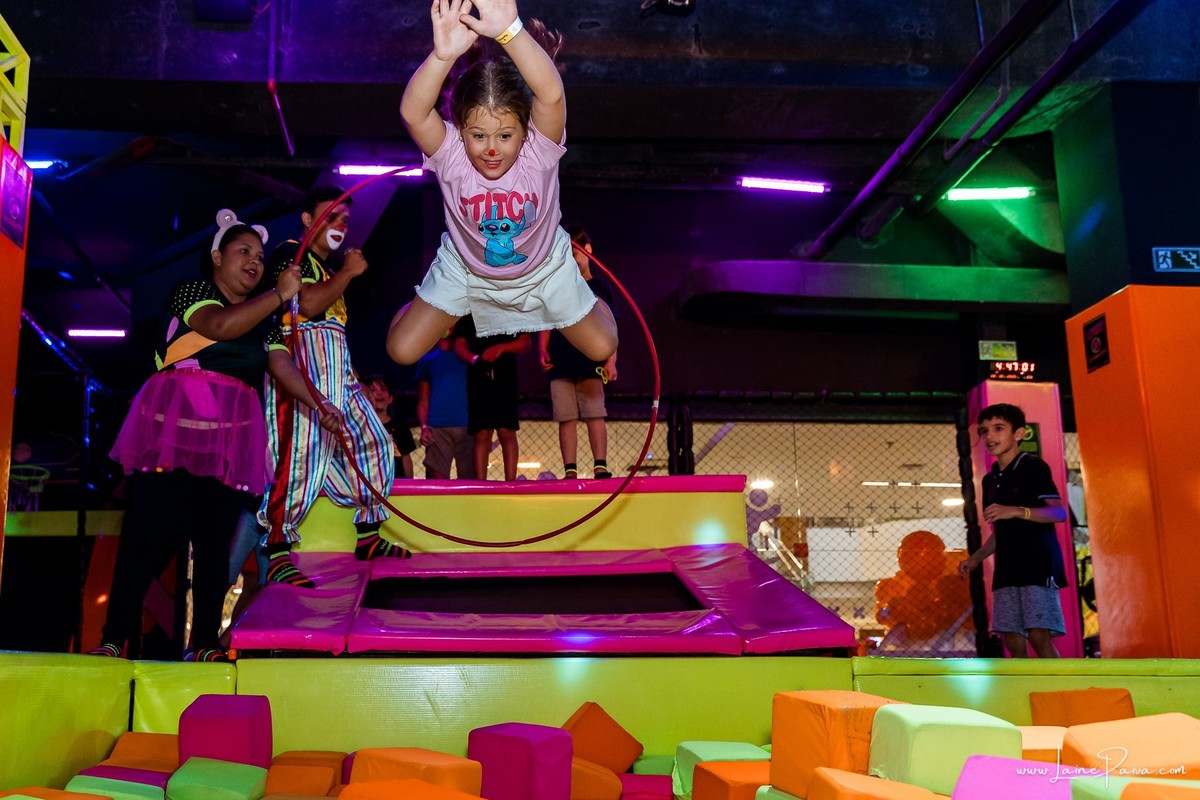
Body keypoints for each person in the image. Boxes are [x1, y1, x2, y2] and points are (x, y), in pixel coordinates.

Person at [90, 210, 342, 662]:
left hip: (223, 448)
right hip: (170, 443)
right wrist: (279, 295)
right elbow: (222, 327)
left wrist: (321, 403)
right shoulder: (194, 293)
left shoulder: (265, 321)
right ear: (216, 257)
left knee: (212, 548)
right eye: (243, 251)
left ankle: (205, 642)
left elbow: (283, 366)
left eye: (261, 256)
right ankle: (113, 640)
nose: (254, 261)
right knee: (146, 542)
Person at [385, 0, 617, 369]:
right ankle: (424, 305)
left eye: (506, 135)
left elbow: (551, 96)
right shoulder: (452, 154)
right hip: (466, 269)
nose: (492, 149)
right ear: (459, 131)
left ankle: (586, 299)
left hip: (544, 270)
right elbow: (413, 113)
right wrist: (442, 56)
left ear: (525, 131)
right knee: (401, 351)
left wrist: (512, 32)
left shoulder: (537, 152)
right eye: (478, 135)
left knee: (603, 346)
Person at [260, 186, 409, 589]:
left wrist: (351, 372)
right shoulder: (290, 255)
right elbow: (306, 306)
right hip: (304, 369)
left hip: (338, 369)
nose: (339, 225)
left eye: (344, 219)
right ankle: (277, 551)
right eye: (330, 217)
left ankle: (369, 534)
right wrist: (347, 272)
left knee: (374, 440)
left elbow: (332, 324)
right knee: (300, 455)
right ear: (308, 221)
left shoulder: (327, 269)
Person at [958, 403, 1068, 658]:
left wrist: (1018, 510)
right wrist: (976, 558)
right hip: (1007, 569)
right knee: (1011, 637)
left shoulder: (1033, 467)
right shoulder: (989, 479)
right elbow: (1002, 531)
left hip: (1038, 565)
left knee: (1039, 634)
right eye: (984, 431)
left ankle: (1059, 688)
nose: (990, 437)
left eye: (998, 429)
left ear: (1019, 434)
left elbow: (1059, 512)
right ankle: (1026, 691)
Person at [537, 226, 618, 479]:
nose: (571, 258)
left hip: (590, 358)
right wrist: (542, 348)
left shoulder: (600, 287)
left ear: (587, 251)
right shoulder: (558, 286)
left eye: (574, 252)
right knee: (566, 416)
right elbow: (547, 319)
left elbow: (612, 325)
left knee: (595, 412)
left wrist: (612, 360)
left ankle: (600, 465)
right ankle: (570, 471)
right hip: (561, 358)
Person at [454, 315, 529, 480]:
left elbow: (525, 342)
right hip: (478, 377)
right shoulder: (469, 315)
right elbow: (459, 345)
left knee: (506, 430)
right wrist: (473, 359)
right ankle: (481, 485)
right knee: (482, 433)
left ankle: (511, 483)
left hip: (506, 377)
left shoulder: (511, 310)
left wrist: (501, 348)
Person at [414, 325, 476, 479]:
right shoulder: (427, 361)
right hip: (437, 427)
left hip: (468, 427)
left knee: (470, 482)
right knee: (437, 481)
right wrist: (424, 427)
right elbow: (423, 398)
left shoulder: (469, 358)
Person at [362, 373, 417, 480]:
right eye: (373, 390)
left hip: (396, 482)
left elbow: (406, 458)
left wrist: (409, 483)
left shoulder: (400, 426)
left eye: (383, 389)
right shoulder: (361, 426)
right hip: (370, 483)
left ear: (390, 398)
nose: (378, 393)